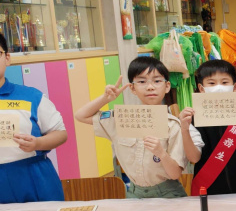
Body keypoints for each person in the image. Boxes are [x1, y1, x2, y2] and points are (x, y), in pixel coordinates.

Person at [75, 57, 188, 198]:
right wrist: (105, 99)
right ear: (132, 88)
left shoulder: (173, 125)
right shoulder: (122, 119)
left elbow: (175, 174)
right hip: (134, 193)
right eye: (142, 81)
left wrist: (161, 153)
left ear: (167, 86)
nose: (150, 87)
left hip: (168, 193)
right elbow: (81, 116)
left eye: (157, 81)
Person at [180, 59, 236, 196]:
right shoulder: (193, 118)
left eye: (224, 82)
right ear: (201, 89)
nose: (219, 87)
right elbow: (194, 158)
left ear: (234, 87)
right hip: (211, 191)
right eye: (211, 83)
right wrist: (185, 129)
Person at [0, 32, 67, 203]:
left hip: (33, 177)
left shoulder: (31, 96)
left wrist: (37, 143)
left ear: (7, 58)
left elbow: (60, 133)